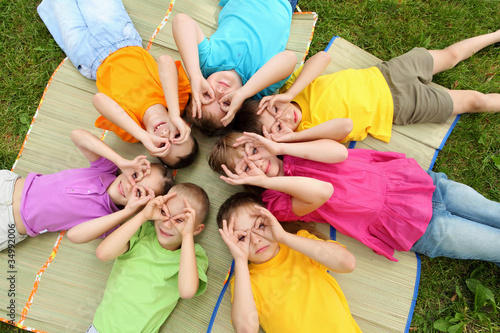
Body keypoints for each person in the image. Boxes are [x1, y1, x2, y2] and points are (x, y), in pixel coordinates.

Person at [208, 131, 500, 265]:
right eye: (246, 167)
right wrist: (265, 181)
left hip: (420, 185)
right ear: (242, 180)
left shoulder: (296, 147)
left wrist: (280, 144)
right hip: (413, 225)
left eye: (255, 152)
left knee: (493, 211)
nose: (257, 164)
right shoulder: (276, 203)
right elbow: (323, 192)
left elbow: (339, 152)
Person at [233, 30, 500, 143]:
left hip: (389, 73)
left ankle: (495, 35)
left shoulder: (292, 90)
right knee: (475, 101)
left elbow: (324, 58)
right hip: (401, 106)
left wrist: (289, 93)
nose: (284, 116)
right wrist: (291, 139)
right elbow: (345, 128)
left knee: (450, 56)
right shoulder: (307, 134)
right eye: (279, 127)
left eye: (274, 111)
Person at [37, 0, 198, 169]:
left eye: (163, 145)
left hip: (89, 58)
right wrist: (173, 115)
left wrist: (142, 136)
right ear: (184, 125)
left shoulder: (132, 132)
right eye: (177, 135)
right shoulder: (177, 100)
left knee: (61, 8)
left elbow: (99, 100)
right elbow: (165, 61)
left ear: (152, 150)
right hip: (120, 36)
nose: (166, 135)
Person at [0, 129, 174, 251]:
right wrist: (120, 161)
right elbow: (77, 135)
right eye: (135, 176)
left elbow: (74, 236)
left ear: (141, 205)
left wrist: (128, 212)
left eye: (139, 192)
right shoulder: (106, 169)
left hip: (9, 223)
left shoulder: (108, 220)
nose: (130, 185)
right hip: (8, 186)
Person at [217, 191, 360, 333]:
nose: (255, 240)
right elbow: (245, 330)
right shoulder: (245, 282)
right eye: (242, 238)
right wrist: (240, 260)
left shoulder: (300, 245)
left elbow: (347, 263)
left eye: (260, 226)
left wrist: (283, 236)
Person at [86, 183, 210, 333]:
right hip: (100, 328)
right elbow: (103, 254)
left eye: (179, 220)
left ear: (197, 229)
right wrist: (143, 215)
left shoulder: (194, 256)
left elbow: (187, 291)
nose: (167, 224)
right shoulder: (142, 232)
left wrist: (187, 234)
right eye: (165, 213)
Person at [172, 0, 298, 135]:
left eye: (208, 94)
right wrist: (244, 92)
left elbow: (181, 21)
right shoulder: (259, 87)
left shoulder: (207, 64)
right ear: (239, 106)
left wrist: (195, 75)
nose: (220, 91)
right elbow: (290, 58)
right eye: (226, 103)